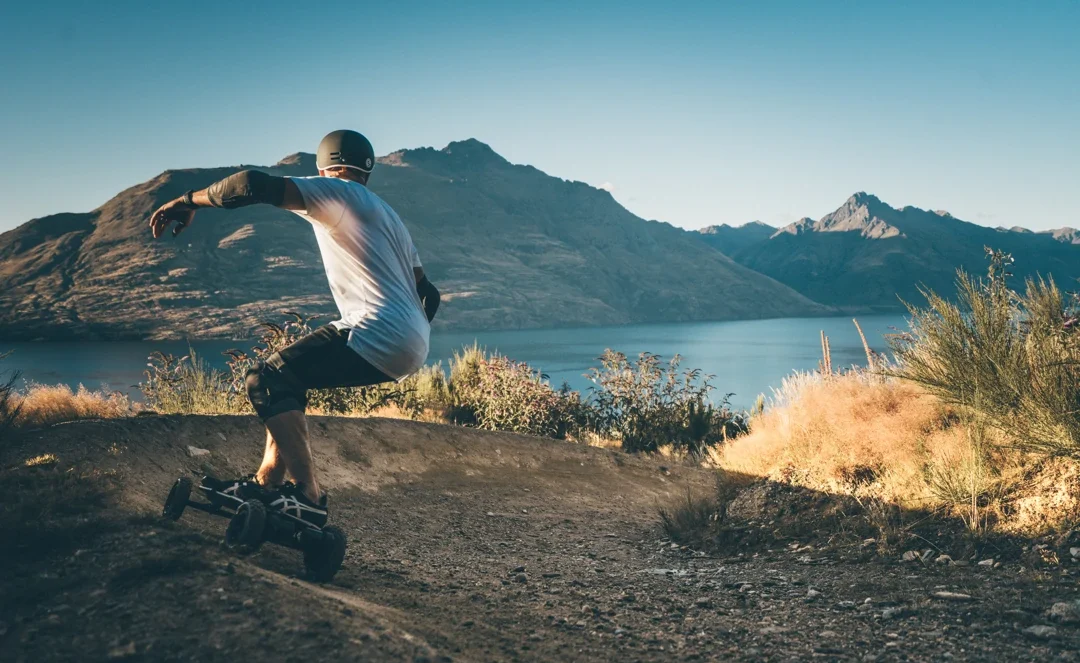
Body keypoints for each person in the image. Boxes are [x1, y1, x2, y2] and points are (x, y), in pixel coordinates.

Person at [148, 130, 440, 527]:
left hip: (376, 330)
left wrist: (186, 201)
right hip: (411, 342)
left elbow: (249, 185)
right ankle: (267, 483)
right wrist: (410, 335)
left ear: (326, 167)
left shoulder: (337, 192)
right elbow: (430, 294)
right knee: (288, 381)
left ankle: (308, 495)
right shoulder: (387, 216)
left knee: (263, 378)